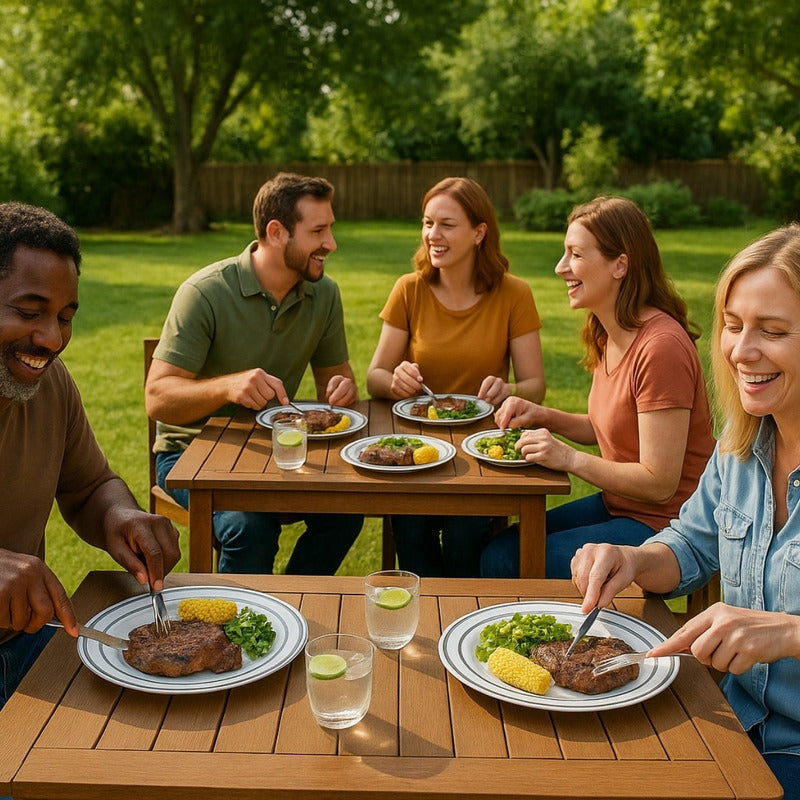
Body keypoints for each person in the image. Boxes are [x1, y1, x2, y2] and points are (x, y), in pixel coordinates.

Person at [571, 223, 800, 799]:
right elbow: (692, 546)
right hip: (731, 722)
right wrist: (632, 558)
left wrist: (791, 633)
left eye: (773, 331)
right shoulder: (741, 447)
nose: (741, 351)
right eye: (733, 325)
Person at [0, 202, 181, 711]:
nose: (52, 339)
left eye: (64, 317)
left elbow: (88, 485)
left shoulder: (50, 384)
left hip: (27, 643)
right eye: (29, 312)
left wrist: (120, 515)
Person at [480, 196, 715, 578]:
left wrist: (569, 458)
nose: (560, 267)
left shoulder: (661, 348)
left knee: (506, 559)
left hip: (671, 526)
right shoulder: (609, 331)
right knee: (500, 545)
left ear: (620, 264)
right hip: (623, 506)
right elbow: (609, 427)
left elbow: (659, 483)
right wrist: (543, 416)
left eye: (575, 254)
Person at [145, 172, 363, 575]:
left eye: (330, 229)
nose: (331, 243)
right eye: (318, 231)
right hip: (190, 454)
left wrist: (342, 390)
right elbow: (157, 398)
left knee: (345, 513)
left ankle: (293, 602)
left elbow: (336, 383)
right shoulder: (205, 292)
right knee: (250, 527)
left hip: (277, 450)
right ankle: (236, 617)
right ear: (276, 232)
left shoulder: (324, 294)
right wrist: (228, 386)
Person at [366, 176, 545, 576]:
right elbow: (374, 376)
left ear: (479, 232)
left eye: (446, 225)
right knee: (411, 528)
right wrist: (395, 381)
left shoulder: (514, 294)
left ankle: (463, 610)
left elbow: (535, 386)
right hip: (416, 450)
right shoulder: (409, 289)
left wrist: (508, 388)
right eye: (428, 223)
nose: (433, 235)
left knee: (465, 532)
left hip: (481, 451)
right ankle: (427, 611)